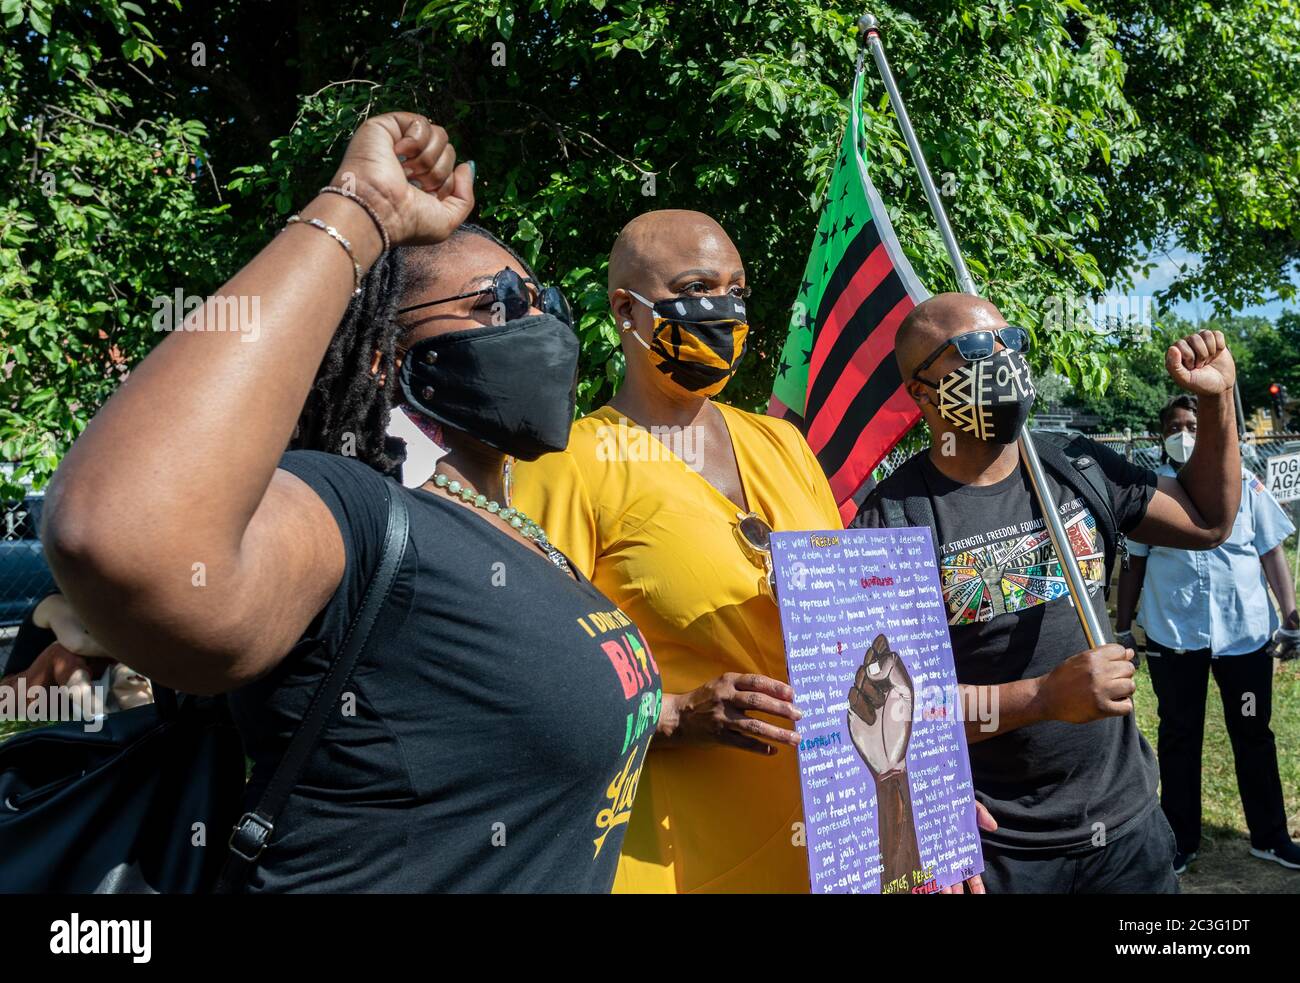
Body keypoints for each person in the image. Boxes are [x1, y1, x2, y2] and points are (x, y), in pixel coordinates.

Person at [41, 112, 660, 892]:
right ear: (380, 354)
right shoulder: (358, 510)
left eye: (549, 301)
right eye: (500, 299)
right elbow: (123, 534)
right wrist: (361, 205)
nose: (541, 325)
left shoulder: (515, 529)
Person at [851, 292, 1244, 894]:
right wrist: (1040, 698)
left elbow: (1208, 519)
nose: (1003, 359)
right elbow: (887, 713)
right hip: (1000, 849)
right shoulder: (892, 519)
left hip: (1128, 831)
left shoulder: (1077, 467)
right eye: (976, 350)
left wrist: (1217, 402)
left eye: (1012, 341)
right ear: (922, 391)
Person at [512, 209, 845, 893]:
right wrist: (676, 714)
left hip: (827, 836)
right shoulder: (568, 463)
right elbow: (528, 679)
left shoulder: (784, 444)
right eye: (696, 286)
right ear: (625, 310)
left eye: (736, 289)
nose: (722, 308)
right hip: (669, 852)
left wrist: (922, 786)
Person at [1115, 393, 1300, 873]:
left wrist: (1291, 611)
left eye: (1193, 426)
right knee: (1179, 735)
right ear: (1161, 436)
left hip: (1244, 635)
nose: (1184, 435)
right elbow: (1135, 563)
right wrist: (1122, 627)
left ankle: (1271, 836)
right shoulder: (1150, 492)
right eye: (1175, 427)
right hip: (1175, 634)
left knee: (1253, 732)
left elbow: (1271, 551)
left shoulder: (1245, 484)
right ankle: (1181, 840)